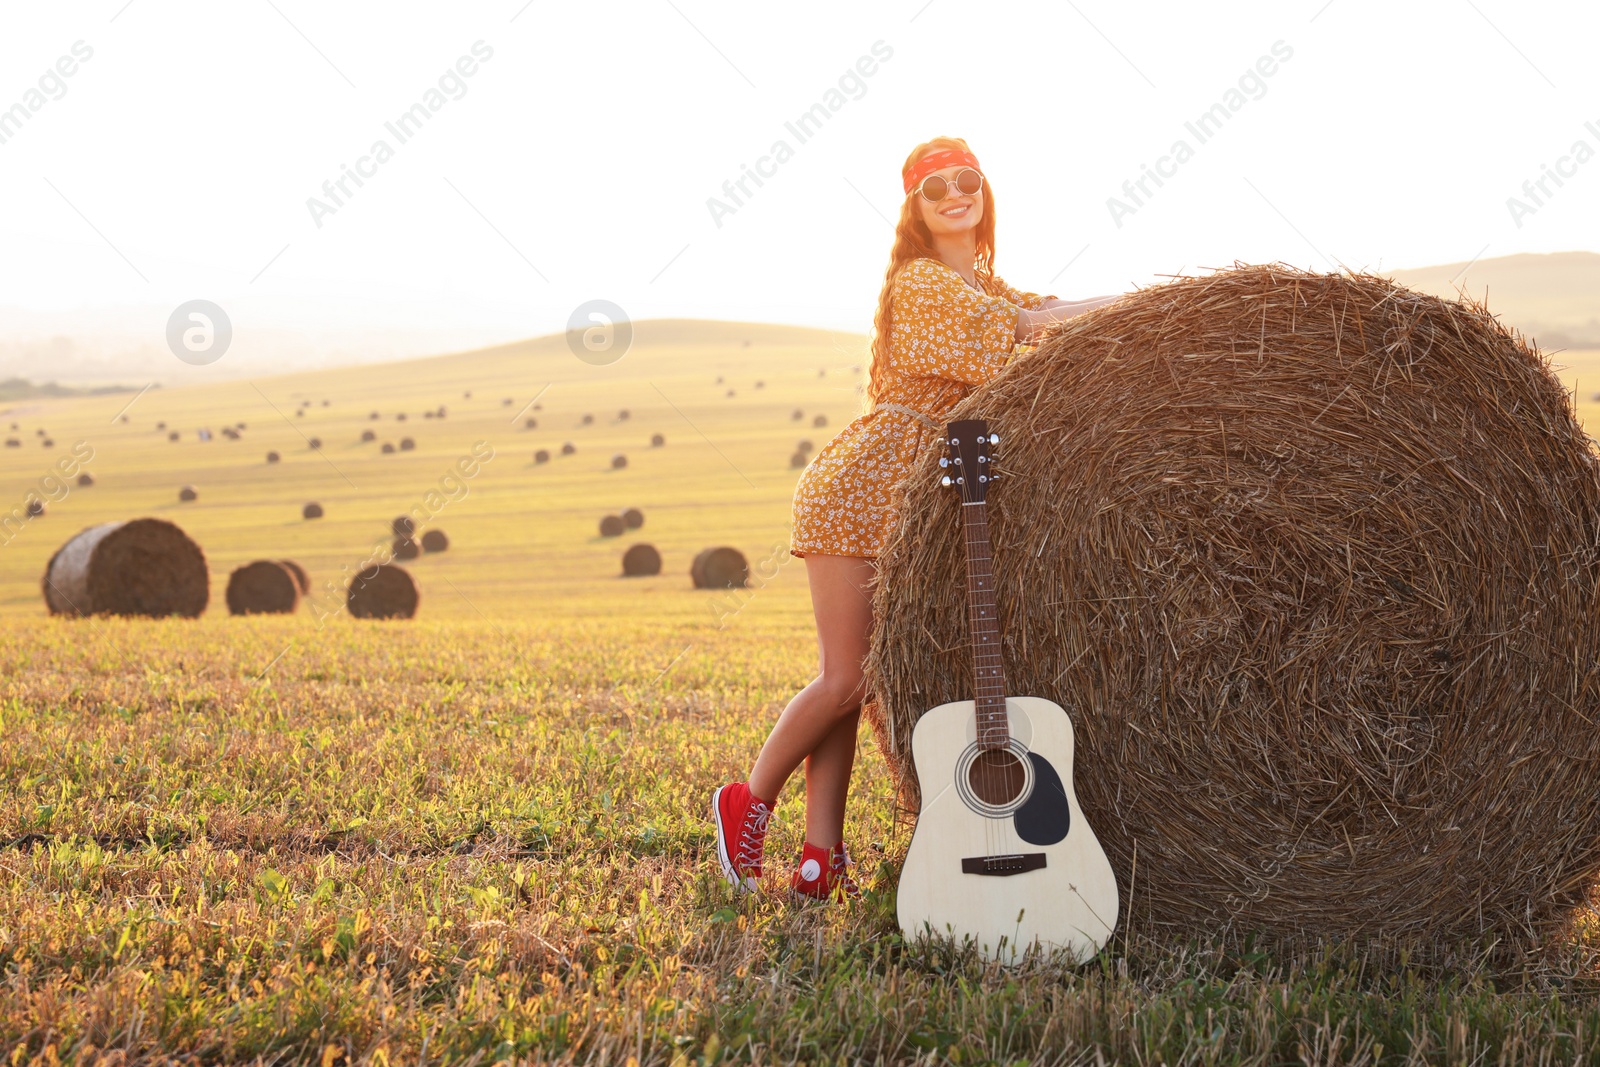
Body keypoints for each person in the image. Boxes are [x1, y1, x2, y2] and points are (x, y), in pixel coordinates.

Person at [710, 136, 1122, 901]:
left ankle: (818, 856)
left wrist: (1147, 305)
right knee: (846, 676)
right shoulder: (923, 285)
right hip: (861, 485)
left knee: (860, 679)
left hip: (904, 499)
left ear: (985, 192)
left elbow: (1047, 312)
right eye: (936, 188)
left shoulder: (988, 285)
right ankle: (747, 801)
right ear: (916, 210)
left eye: (967, 180)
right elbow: (1028, 333)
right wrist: (1111, 308)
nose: (955, 193)